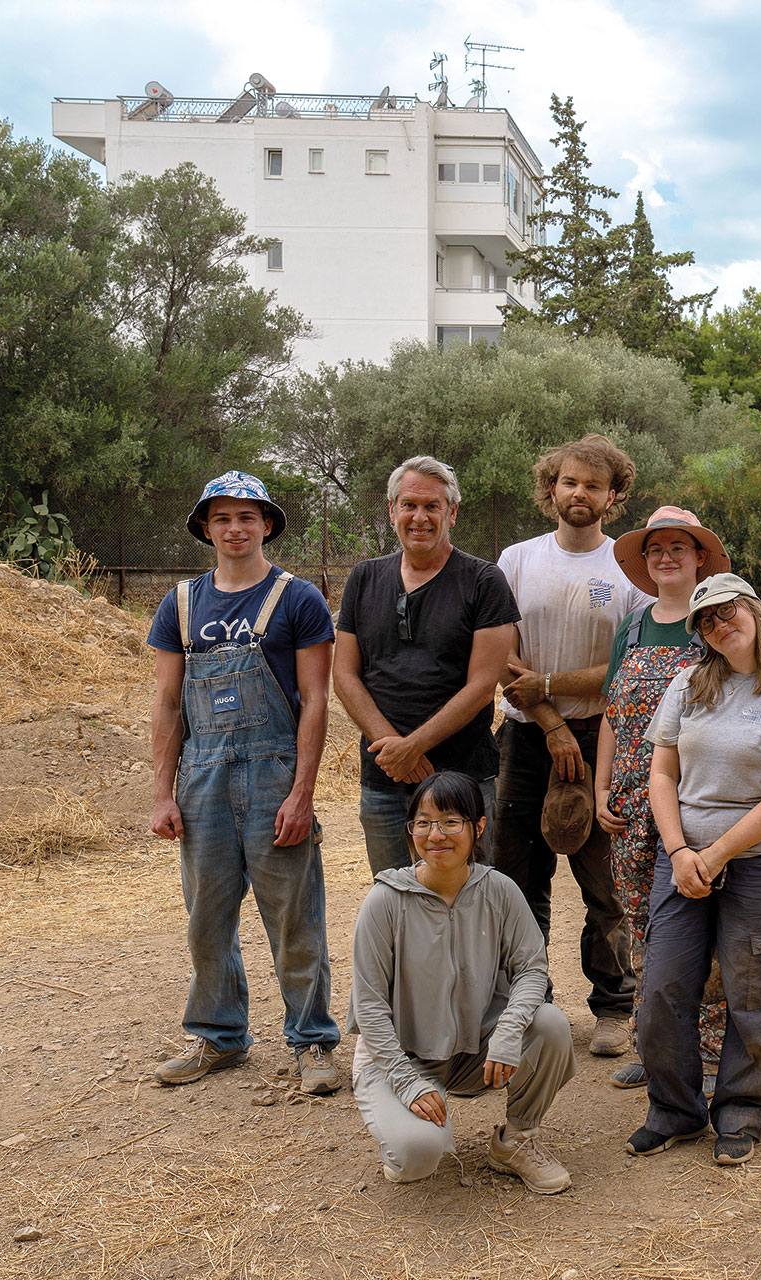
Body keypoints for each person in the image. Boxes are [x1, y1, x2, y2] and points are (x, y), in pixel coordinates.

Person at [146, 471, 343, 1093]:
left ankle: (312, 1043)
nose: (236, 528)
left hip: (272, 772)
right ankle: (218, 1036)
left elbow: (316, 700)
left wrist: (301, 794)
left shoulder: (297, 599)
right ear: (207, 528)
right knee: (206, 917)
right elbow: (168, 705)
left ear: (267, 526)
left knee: (294, 917)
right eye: (223, 517)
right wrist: (161, 793)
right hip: (201, 776)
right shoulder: (180, 604)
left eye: (248, 517)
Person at [626, 574, 761, 1166]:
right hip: (682, 859)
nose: (719, 624)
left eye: (727, 611)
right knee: (663, 985)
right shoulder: (688, 686)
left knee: (752, 989)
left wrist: (715, 855)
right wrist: (680, 851)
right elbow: (663, 774)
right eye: (705, 621)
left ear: (754, 612)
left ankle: (741, 1105)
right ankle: (675, 1109)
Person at [491, 436, 648, 1058]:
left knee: (605, 882)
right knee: (517, 876)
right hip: (527, 737)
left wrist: (553, 690)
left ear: (614, 497)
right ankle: (533, 1004)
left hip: (600, 739)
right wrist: (550, 719)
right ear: (550, 488)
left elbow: (628, 663)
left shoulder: (627, 570)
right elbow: (498, 652)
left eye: (593, 486)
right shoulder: (516, 560)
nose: (578, 494)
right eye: (568, 482)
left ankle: (612, 1004)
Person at [349, 771, 577, 1194]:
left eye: (451, 821)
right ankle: (406, 1133)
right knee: (417, 1157)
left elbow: (532, 967)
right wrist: (406, 1079)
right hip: (401, 1056)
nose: (436, 834)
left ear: (478, 826)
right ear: (410, 829)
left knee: (550, 1025)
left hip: (478, 1048)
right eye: (423, 822)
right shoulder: (385, 900)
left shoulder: (500, 891)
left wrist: (508, 1032)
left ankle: (516, 1141)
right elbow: (370, 1005)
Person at [594, 508, 731, 1091]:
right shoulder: (631, 626)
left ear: (701, 558)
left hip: (697, 799)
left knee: (701, 921)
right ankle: (654, 1046)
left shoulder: (719, 623)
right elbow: (611, 714)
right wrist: (601, 787)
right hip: (630, 803)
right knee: (643, 924)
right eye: (656, 549)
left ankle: (710, 1047)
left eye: (680, 546)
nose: (667, 556)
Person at [333, 457, 520, 877]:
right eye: (409, 505)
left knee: (466, 904)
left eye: (432, 506)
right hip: (383, 781)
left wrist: (413, 746)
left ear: (451, 513)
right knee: (395, 900)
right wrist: (393, 748)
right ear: (391, 510)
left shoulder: (484, 582)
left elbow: (481, 685)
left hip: (462, 779)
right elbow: (344, 675)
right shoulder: (364, 578)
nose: (420, 517)